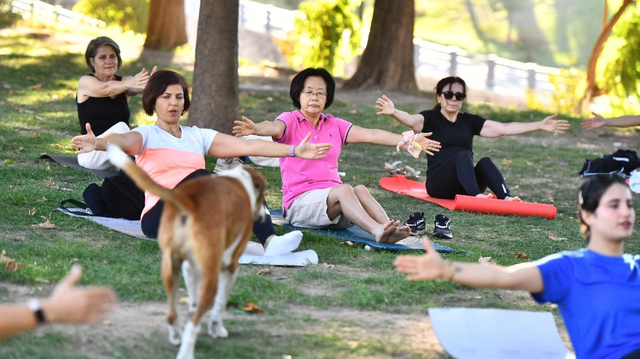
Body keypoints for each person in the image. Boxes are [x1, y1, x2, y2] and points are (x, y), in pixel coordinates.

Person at [395, 174, 640, 359]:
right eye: (614, 205)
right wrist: (448, 269)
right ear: (588, 215)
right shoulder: (570, 268)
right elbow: (505, 276)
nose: (626, 213)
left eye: (629, 205)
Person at [71, 70, 331, 254]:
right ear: (153, 101)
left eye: (179, 97)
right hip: (159, 216)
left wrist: (295, 150)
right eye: (166, 97)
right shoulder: (147, 134)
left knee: (247, 177)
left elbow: (247, 145)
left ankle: (270, 241)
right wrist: (98, 143)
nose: (174, 102)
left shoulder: (198, 135)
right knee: (198, 178)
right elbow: (121, 140)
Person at [232, 68, 442, 244]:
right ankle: (377, 230)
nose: (314, 97)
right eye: (309, 92)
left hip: (334, 206)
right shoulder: (290, 120)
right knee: (345, 189)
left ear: (327, 98)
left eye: (320, 93)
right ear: (298, 95)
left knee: (358, 189)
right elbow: (273, 127)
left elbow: (372, 134)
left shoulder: (334, 124)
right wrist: (256, 128)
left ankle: (388, 229)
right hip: (301, 204)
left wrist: (409, 141)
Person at [376, 76, 570, 201]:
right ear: (438, 97)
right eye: (448, 94)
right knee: (462, 154)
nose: (453, 99)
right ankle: (476, 196)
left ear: (463, 99)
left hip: (465, 183)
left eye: (458, 95)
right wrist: (394, 112)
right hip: (439, 185)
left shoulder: (469, 121)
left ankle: (506, 197)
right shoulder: (430, 118)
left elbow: (504, 128)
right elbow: (411, 120)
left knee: (484, 162)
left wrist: (539, 125)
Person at [76, 36, 156, 170]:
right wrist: (131, 82)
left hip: (115, 153)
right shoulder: (85, 82)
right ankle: (137, 167)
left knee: (144, 131)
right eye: (102, 57)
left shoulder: (124, 83)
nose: (109, 61)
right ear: (92, 61)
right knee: (122, 128)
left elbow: (138, 88)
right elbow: (106, 89)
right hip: (91, 153)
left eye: (112, 56)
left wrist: (152, 84)